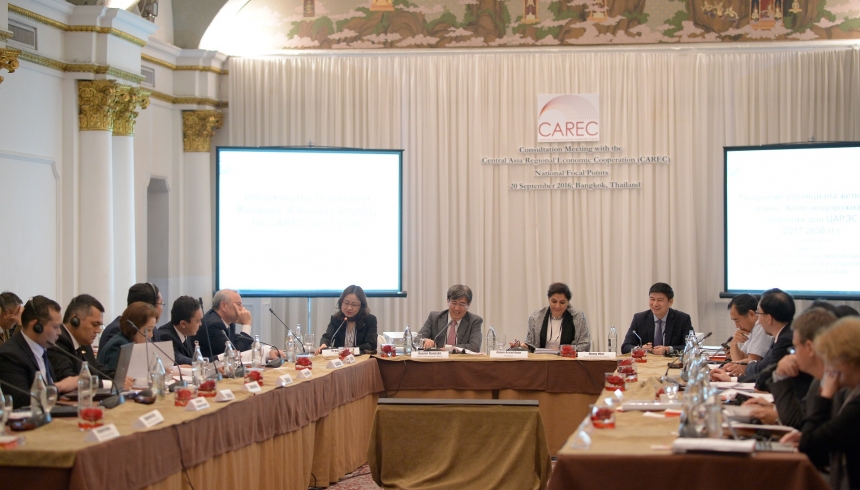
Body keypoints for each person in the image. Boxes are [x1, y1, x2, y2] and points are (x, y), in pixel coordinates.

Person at [788, 316, 860, 490]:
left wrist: (825, 395)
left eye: (830, 360)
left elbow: (809, 447)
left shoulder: (856, 406)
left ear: (846, 360)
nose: (827, 368)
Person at [712, 288, 800, 390]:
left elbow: (766, 377)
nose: (758, 320)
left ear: (769, 318)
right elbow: (763, 367)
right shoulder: (783, 335)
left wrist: (732, 379)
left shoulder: (786, 340)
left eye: (759, 314)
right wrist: (744, 366)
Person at [0, 296, 79, 408]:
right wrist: (59, 386)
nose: (59, 332)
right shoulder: (10, 355)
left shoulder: (43, 349)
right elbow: (20, 401)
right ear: (37, 326)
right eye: (56, 327)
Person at [48, 294, 125, 387]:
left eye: (99, 325)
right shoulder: (58, 342)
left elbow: (97, 369)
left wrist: (121, 378)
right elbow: (70, 381)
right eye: (95, 324)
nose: (98, 330)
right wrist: (111, 384)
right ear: (75, 320)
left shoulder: (83, 343)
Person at [513, 282, 590, 352]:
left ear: (568, 302)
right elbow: (530, 344)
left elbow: (585, 345)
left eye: (562, 302)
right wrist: (523, 346)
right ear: (548, 299)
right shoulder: (535, 317)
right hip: (541, 360)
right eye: (554, 301)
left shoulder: (578, 317)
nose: (557, 306)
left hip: (567, 360)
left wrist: (564, 350)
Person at [621, 282, 693, 355]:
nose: (655, 304)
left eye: (660, 300)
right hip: (647, 361)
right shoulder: (639, 319)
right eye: (652, 299)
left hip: (672, 361)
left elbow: (691, 347)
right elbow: (625, 347)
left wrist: (668, 349)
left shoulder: (682, 319)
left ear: (670, 302)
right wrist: (640, 349)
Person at [98, 282, 164, 351]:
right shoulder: (118, 330)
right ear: (148, 307)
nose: (151, 335)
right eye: (161, 303)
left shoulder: (154, 331)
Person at [191, 289, 254, 358]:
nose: (242, 308)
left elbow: (235, 344)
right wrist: (246, 324)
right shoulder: (213, 325)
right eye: (239, 304)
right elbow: (234, 354)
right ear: (223, 306)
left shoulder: (229, 321)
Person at [418, 285, 483, 352]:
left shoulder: (474, 321)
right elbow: (417, 339)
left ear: (468, 305)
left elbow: (475, 347)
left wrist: (447, 349)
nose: (457, 308)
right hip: (437, 358)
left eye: (462, 304)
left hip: (461, 359)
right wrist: (424, 340)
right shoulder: (434, 317)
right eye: (454, 303)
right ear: (448, 301)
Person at [316, 285, 378, 355]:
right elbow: (327, 336)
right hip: (340, 359)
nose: (349, 308)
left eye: (354, 305)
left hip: (361, 359)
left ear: (361, 306)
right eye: (346, 303)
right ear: (341, 302)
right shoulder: (336, 319)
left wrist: (352, 351)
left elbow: (371, 345)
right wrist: (324, 344)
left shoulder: (370, 320)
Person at [97, 302, 158, 371]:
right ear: (134, 327)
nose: (151, 335)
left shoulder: (133, 343)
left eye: (152, 330)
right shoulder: (118, 345)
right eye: (148, 330)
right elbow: (116, 375)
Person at [723, 294, 771, 377]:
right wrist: (734, 343)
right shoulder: (752, 329)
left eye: (737, 320)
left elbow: (748, 365)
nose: (737, 326)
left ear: (751, 314)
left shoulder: (760, 327)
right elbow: (740, 360)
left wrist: (736, 365)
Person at [157, 296, 203, 365]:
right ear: (183, 324)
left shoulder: (186, 332)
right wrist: (203, 363)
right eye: (198, 321)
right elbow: (176, 358)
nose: (200, 324)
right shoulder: (165, 336)